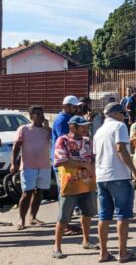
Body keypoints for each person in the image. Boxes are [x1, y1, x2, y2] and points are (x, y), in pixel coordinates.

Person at [94, 103, 136, 263]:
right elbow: (120, 149)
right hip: (119, 176)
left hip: (102, 176)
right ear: (115, 113)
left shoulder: (99, 131)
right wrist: (134, 172)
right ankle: (122, 253)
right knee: (122, 214)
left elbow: (98, 154)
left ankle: (103, 252)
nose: (125, 116)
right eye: (123, 113)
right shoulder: (119, 126)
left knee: (104, 216)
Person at [52, 116, 99, 259]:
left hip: (87, 183)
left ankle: (86, 241)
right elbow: (63, 162)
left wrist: (88, 165)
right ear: (72, 127)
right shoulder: (63, 141)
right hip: (70, 184)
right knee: (64, 217)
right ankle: (57, 247)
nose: (85, 129)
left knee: (87, 213)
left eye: (86, 126)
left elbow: (93, 159)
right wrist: (85, 165)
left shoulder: (87, 141)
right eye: (82, 126)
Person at [10, 105, 52, 230]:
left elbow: (55, 141)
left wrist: (48, 128)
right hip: (28, 166)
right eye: (38, 114)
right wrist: (13, 163)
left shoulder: (46, 130)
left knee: (39, 191)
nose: (41, 116)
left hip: (44, 165)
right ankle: (21, 220)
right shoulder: (24, 129)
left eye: (42, 113)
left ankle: (33, 217)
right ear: (31, 116)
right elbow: (16, 147)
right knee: (27, 192)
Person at [52, 96, 82, 235]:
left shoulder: (68, 119)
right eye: (74, 106)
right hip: (63, 162)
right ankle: (63, 224)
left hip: (69, 161)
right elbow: (64, 140)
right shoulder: (62, 120)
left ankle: (66, 223)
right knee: (64, 192)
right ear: (67, 106)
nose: (77, 108)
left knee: (69, 191)